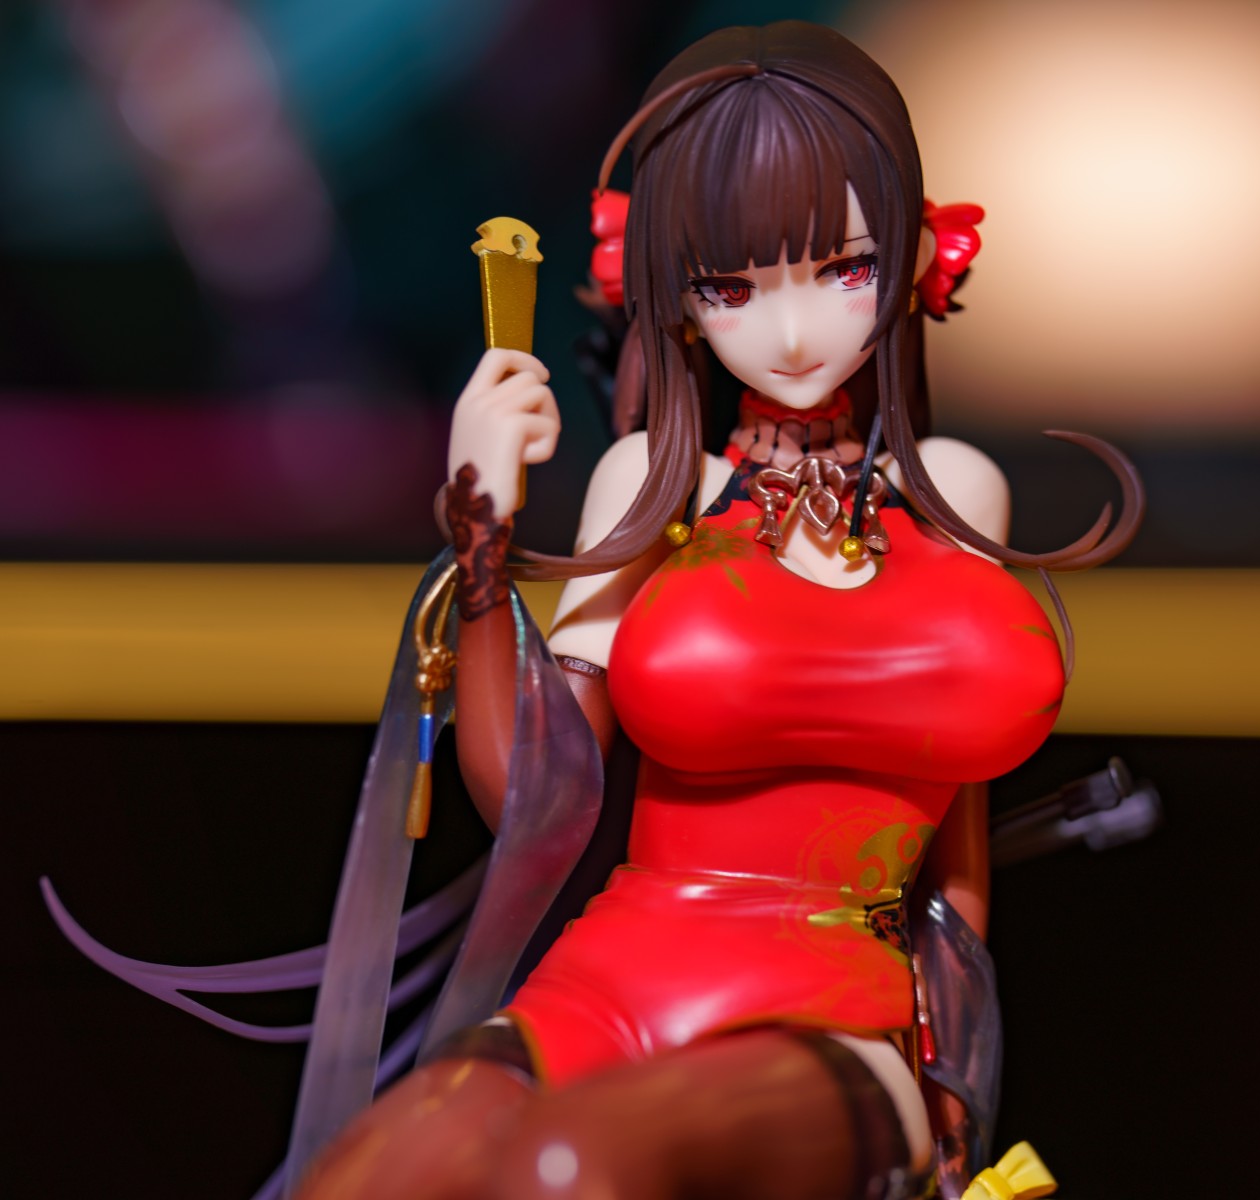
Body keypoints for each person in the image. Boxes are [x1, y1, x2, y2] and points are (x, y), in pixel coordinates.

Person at [296, 21, 1141, 1200]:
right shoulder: (657, 488)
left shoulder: (955, 496)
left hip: (836, 1013)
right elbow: (533, 799)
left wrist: (954, 1071)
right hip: (611, 981)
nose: (790, 331)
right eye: (733, 286)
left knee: (568, 1169)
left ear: (910, 255)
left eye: (839, 269)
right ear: (679, 301)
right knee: (372, 1176)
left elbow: (955, 836)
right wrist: (482, 520)